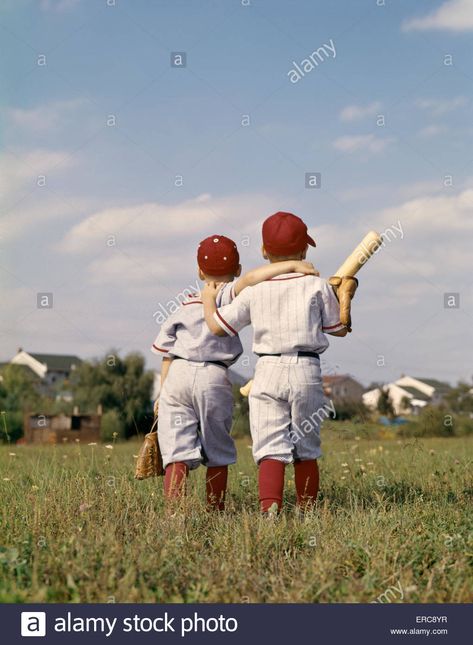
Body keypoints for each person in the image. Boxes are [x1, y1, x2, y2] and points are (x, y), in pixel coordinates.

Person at [202, 212, 355, 513]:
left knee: (270, 447)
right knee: (306, 447)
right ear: (304, 251)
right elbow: (339, 329)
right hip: (307, 371)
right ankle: (307, 511)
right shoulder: (317, 285)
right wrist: (344, 296)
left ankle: (270, 511)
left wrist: (208, 301)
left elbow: (219, 327)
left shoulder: (255, 290)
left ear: (263, 251)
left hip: (267, 370)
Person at [152, 233, 317, 510]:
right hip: (213, 377)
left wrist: (162, 393)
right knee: (217, 448)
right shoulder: (226, 295)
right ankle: (215, 508)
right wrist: (292, 266)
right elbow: (253, 278)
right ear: (237, 269)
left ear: (199, 270)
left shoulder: (184, 304)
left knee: (176, 449)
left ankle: (174, 513)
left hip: (177, 375)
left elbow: (166, 353)